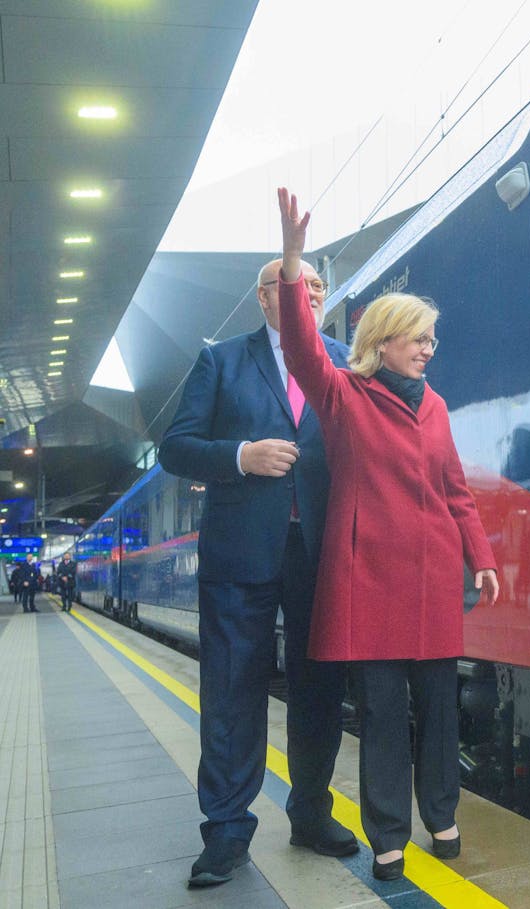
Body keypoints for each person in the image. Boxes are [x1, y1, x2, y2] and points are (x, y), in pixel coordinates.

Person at [275, 187, 499, 881]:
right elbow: (303, 347)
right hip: (370, 579)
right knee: (380, 712)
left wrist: (482, 558)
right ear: (382, 341)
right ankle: (388, 832)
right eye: (419, 338)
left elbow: (456, 489)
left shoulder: (435, 408)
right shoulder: (343, 396)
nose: (430, 349)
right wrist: (291, 266)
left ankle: (440, 812)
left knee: (437, 709)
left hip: (432, 581)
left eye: (433, 339)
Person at [158, 252, 358, 887]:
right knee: (233, 688)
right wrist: (241, 455)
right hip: (240, 554)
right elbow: (175, 447)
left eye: (318, 286)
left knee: (319, 687)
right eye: (293, 284)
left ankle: (310, 813)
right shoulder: (221, 360)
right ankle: (225, 831)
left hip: (320, 551)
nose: (309, 293)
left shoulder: (344, 362)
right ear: (265, 297)